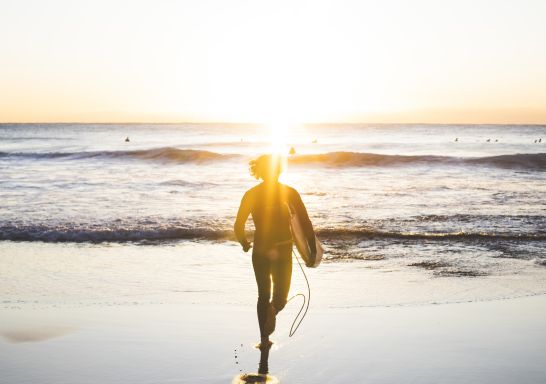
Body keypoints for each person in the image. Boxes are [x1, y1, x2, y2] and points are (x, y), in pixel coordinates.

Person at [234, 154, 316, 348]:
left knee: (263, 294)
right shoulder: (290, 192)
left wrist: (244, 243)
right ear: (279, 169)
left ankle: (264, 339)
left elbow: (238, 225)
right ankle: (273, 310)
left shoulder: (251, 194)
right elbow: (305, 223)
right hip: (283, 249)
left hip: (260, 248)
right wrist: (311, 250)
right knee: (280, 297)